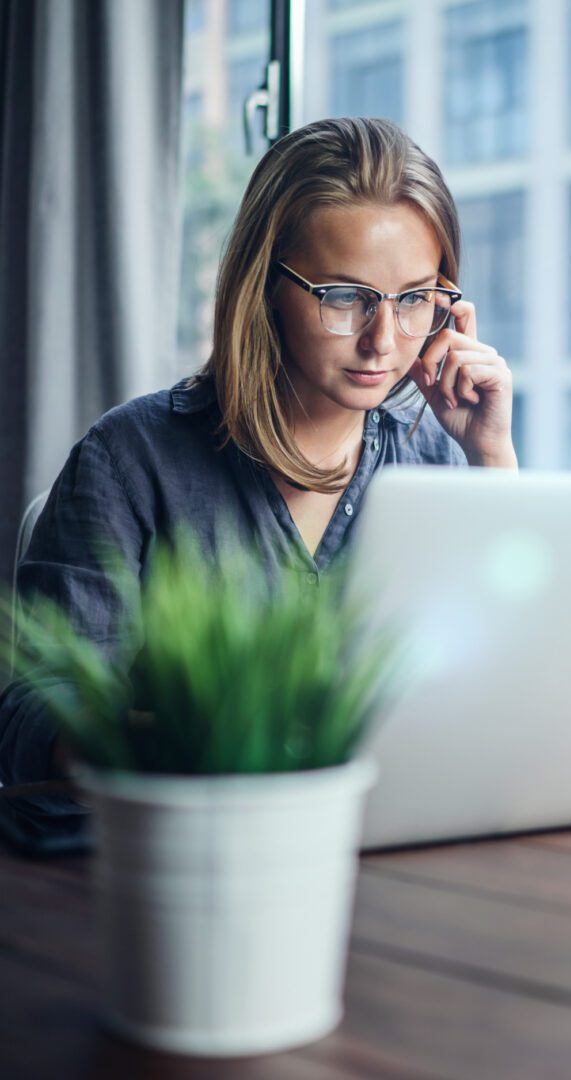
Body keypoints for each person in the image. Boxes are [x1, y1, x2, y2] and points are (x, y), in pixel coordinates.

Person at [0, 117, 516, 824]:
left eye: (415, 299)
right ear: (266, 285)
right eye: (343, 297)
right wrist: (225, 743)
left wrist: (492, 458)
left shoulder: (436, 460)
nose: (383, 340)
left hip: (397, 848)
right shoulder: (130, 459)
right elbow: (32, 715)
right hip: (182, 862)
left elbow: (517, 699)